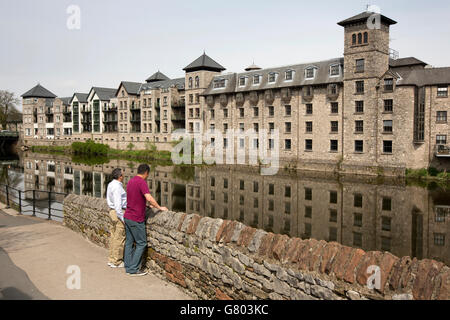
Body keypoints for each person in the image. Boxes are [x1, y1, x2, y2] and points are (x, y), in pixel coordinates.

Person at [124, 164, 168, 277]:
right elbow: (149, 197)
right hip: (136, 218)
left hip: (127, 216)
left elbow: (135, 198)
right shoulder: (141, 182)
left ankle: (128, 266)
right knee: (141, 243)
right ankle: (133, 269)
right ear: (146, 173)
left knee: (129, 242)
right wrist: (159, 207)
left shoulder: (131, 181)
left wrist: (146, 206)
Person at [106, 168, 127, 268]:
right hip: (117, 213)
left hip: (111, 211)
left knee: (113, 237)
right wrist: (122, 218)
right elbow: (118, 204)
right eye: (123, 174)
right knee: (119, 238)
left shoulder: (111, 184)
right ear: (120, 176)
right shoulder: (117, 187)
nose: (124, 176)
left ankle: (111, 259)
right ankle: (117, 262)